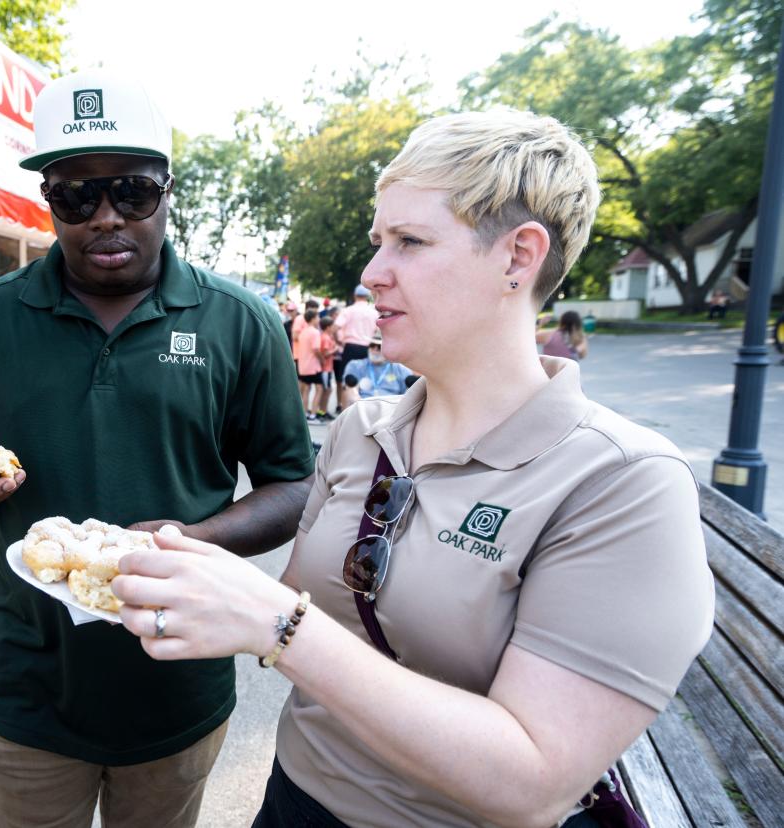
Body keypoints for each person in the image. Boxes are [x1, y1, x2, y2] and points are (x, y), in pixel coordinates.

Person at [111, 110, 714, 828]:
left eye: (411, 241)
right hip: (295, 797)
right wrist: (180, 575)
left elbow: (533, 784)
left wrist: (274, 623)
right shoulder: (360, 433)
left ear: (519, 258)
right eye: (378, 242)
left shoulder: (622, 482)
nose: (371, 273)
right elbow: (308, 604)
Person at [0, 69, 315, 828]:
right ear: (49, 200)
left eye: (130, 191)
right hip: (32, 685)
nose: (103, 217)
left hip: (178, 684)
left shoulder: (238, 322)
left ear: (165, 188)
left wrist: (190, 543)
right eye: (75, 196)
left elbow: (293, 485)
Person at [335, 284, 379, 410]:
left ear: (355, 295)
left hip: (350, 347)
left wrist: (339, 341)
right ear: (368, 296)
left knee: (347, 379)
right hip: (367, 347)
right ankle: (362, 408)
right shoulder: (373, 312)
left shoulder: (348, 310)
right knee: (366, 377)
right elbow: (378, 331)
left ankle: (344, 409)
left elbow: (335, 327)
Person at [342, 330, 412, 398]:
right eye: (372, 345)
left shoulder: (400, 369)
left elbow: (408, 394)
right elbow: (349, 390)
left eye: (379, 347)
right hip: (363, 405)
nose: (375, 350)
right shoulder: (355, 365)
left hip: (391, 406)